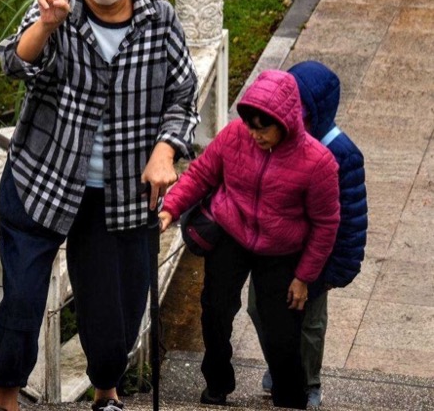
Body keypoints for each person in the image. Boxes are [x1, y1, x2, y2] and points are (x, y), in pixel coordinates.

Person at [0, 0, 200, 411]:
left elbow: (182, 96)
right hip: (42, 179)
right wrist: (47, 24)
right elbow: (11, 64)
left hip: (120, 194)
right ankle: (5, 398)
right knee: (22, 301)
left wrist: (166, 150)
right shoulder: (58, 7)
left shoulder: (159, 20)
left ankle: (107, 394)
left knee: (113, 317)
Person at [158, 69, 341, 409]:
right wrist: (170, 208)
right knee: (214, 313)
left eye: (263, 128)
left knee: (281, 331)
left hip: (281, 250)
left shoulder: (318, 163)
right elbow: (201, 173)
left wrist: (304, 276)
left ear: (286, 122)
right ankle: (217, 384)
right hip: (231, 233)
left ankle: (290, 399)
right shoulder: (234, 135)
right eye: (251, 126)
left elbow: (325, 224)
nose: (255, 135)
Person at [247, 60, 368, 409]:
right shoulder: (275, 140)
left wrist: (334, 272)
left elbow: (351, 220)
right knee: (259, 309)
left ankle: (309, 382)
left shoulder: (342, 153)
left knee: (309, 324)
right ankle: (281, 366)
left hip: (316, 259)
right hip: (274, 250)